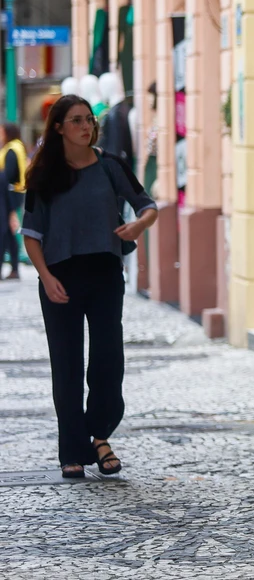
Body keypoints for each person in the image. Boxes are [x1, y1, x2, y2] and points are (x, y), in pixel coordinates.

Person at [21, 95, 158, 478]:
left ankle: (100, 434)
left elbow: (147, 205)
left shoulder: (110, 165)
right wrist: (46, 278)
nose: (86, 126)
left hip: (104, 274)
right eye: (77, 120)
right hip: (59, 277)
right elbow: (31, 234)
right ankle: (72, 450)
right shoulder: (44, 174)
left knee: (108, 361)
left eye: (89, 120)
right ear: (59, 127)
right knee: (66, 365)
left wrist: (138, 225)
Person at [2, 123, 25, 279]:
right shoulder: (17, 147)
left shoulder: (11, 149)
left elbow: (9, 175)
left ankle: (14, 267)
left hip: (9, 194)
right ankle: (14, 268)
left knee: (8, 229)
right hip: (14, 193)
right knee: (10, 232)